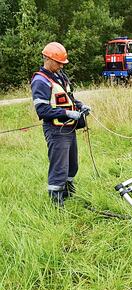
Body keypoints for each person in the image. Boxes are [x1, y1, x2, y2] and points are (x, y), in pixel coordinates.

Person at [31, 42, 91, 207]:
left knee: (72, 166)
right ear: (48, 59)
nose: (61, 66)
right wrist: (67, 113)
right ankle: (57, 205)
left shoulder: (60, 76)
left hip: (69, 129)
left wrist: (80, 106)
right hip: (56, 131)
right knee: (59, 169)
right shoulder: (40, 81)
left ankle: (69, 196)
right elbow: (42, 110)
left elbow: (68, 98)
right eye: (58, 63)